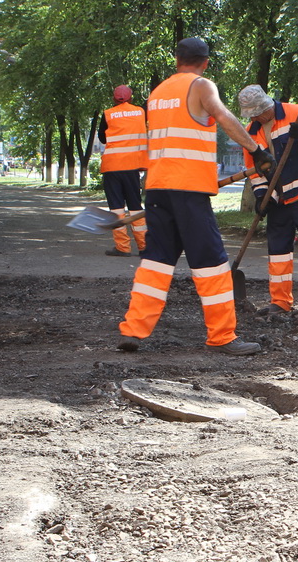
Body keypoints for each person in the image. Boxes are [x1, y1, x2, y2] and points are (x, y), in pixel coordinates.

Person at [116, 37, 275, 356]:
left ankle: (134, 330)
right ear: (205, 62)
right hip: (188, 189)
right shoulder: (201, 85)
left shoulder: (158, 93)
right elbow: (224, 117)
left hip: (158, 188)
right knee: (212, 261)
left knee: (156, 261)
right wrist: (256, 150)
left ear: (177, 60)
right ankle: (222, 336)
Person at [237, 85, 298, 319]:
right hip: (278, 199)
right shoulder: (250, 133)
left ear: (267, 106)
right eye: (251, 115)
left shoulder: (295, 113)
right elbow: (255, 172)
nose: (254, 118)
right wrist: (262, 196)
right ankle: (280, 302)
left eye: (257, 113)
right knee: (278, 252)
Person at [97, 84, 149, 257]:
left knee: (117, 208)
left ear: (114, 98)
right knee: (135, 206)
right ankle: (144, 246)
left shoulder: (108, 114)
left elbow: (102, 138)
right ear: (130, 98)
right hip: (132, 167)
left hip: (112, 167)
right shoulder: (140, 112)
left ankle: (122, 247)